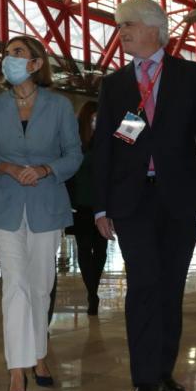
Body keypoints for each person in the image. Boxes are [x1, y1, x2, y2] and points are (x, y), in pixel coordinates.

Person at [92, 0, 196, 391]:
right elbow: (104, 149)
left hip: (180, 197)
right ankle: (145, 381)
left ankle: (164, 367)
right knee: (144, 284)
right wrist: (100, 206)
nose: (122, 33)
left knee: (170, 286)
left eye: (128, 25)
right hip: (132, 201)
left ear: (154, 28)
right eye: (119, 27)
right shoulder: (114, 85)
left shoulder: (190, 75)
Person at [0, 35, 82, 391]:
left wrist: (46, 168)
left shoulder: (59, 106)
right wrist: (2, 166)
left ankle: (38, 354)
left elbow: (74, 155)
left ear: (36, 64)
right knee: (15, 285)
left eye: (18, 53)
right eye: (8, 53)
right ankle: (17, 371)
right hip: (4, 204)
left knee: (40, 286)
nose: (9, 58)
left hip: (47, 204)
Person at [67, 100, 107, 316]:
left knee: (100, 249)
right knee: (84, 249)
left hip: (101, 205)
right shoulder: (74, 141)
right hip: (81, 205)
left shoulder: (104, 141)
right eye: (92, 117)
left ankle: (93, 289)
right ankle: (92, 292)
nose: (95, 121)